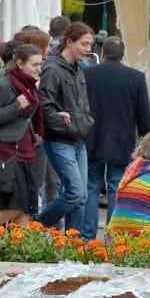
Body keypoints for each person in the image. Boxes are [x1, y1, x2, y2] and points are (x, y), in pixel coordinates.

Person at [80, 36, 150, 239]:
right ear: (123, 55)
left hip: (91, 138)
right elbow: (144, 115)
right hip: (122, 142)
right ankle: (114, 237)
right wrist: (149, 143)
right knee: (116, 187)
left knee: (91, 186)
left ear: (102, 53)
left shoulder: (86, 74)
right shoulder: (135, 77)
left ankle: (87, 237)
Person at [35, 22, 95, 231]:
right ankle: (37, 224)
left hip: (78, 139)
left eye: (90, 45)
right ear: (69, 42)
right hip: (60, 139)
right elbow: (44, 106)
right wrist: (66, 125)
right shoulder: (53, 69)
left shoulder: (77, 69)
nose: (88, 50)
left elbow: (82, 104)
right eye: (84, 44)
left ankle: (72, 245)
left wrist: (86, 122)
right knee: (75, 192)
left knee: (81, 196)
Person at [0, 44, 45, 225]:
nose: (38, 69)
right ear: (20, 64)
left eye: (40, 65)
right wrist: (15, 106)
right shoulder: (4, 85)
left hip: (27, 151)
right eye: (34, 65)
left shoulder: (30, 86)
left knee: (25, 209)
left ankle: (17, 251)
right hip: (8, 153)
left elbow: (30, 117)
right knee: (14, 205)